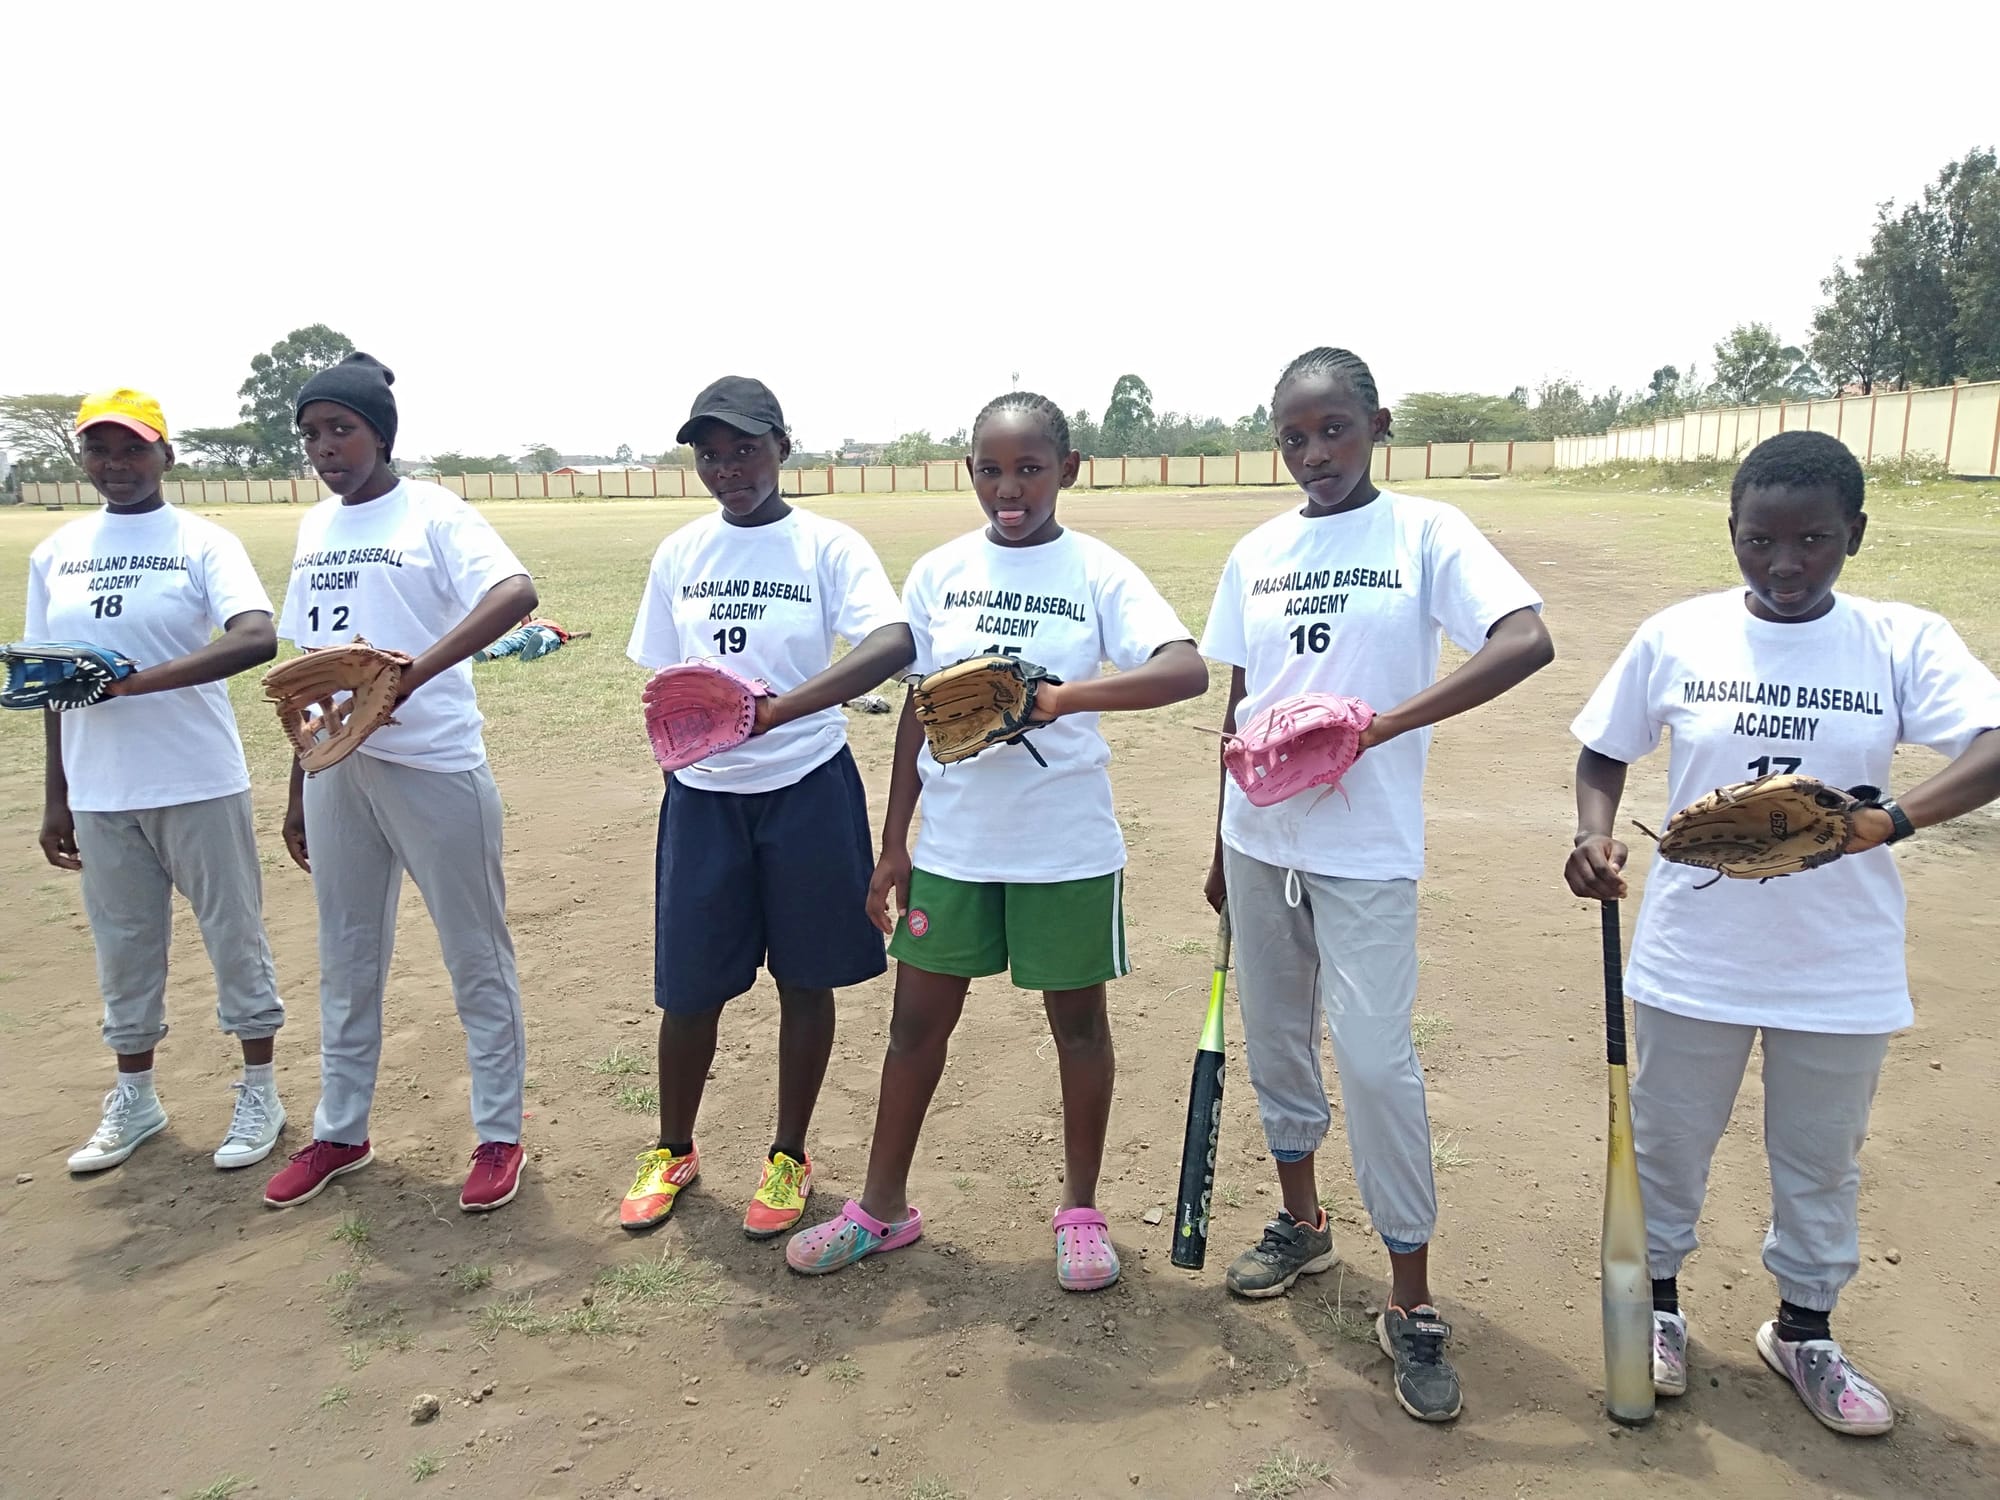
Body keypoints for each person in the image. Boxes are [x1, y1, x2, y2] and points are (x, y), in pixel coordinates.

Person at [1565, 429, 2000, 1437]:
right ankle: (1659, 1312)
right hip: (1691, 959)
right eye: (1759, 540)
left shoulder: (1900, 639)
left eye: (1812, 539)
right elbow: (1600, 750)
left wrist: (1882, 823)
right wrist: (1590, 839)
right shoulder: (1677, 635)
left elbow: (1991, 743)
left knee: (1817, 1159)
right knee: (1667, 1147)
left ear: (1853, 531)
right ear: (1730, 531)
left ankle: (1802, 1330)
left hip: (1836, 963)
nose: (1784, 564)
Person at [785, 391, 1209, 1290]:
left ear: (1068, 471)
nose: (1009, 489)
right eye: (991, 469)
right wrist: (895, 841)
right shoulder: (942, 571)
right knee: (913, 1029)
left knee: (1080, 1029)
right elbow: (922, 708)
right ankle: (881, 1209)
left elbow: (1184, 669)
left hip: (1064, 847)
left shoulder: (1098, 572)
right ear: (968, 471)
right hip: (956, 847)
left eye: (1030, 469)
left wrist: (1059, 699)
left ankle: (1082, 1211)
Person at [1200, 347, 1554, 1424]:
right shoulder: (1256, 549)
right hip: (1258, 839)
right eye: (1293, 438)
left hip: (1365, 853)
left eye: (1333, 432)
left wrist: (1378, 727)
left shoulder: (1425, 532)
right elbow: (1241, 696)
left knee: (1373, 1060)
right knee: (1274, 1044)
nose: (1313, 455)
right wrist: (1217, 844)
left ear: (1375, 424)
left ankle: (1409, 1298)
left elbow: (1525, 639)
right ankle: (1303, 1228)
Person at [621, 375, 914, 1237]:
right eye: (710, 454)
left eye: (744, 449)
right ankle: (673, 1146)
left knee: (806, 977)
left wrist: (780, 710)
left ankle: (788, 1155)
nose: (727, 468)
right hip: (705, 798)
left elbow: (892, 641)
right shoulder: (681, 554)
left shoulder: (826, 546)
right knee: (690, 989)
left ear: (781, 446)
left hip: (806, 787)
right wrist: (690, 735)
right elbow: (666, 679)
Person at [261, 353, 539, 1214]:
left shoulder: (434, 512)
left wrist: (409, 676)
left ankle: (499, 1135)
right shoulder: (314, 528)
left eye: (341, 429)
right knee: (346, 958)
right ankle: (341, 1129)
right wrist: (299, 784)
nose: (325, 447)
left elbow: (515, 594)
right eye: (311, 433)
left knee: (475, 954)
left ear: (379, 433)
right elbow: (306, 678)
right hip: (340, 774)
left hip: (433, 766)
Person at [28, 389, 287, 1174]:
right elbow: (49, 677)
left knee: (233, 937)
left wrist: (134, 684)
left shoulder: (202, 541)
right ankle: (134, 1098)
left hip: (196, 775)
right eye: (101, 451)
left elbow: (256, 637)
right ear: (84, 459)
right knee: (125, 948)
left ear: (165, 455)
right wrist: (57, 791)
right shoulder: (58, 551)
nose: (117, 466)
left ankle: (260, 1089)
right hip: (102, 789)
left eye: (134, 449)